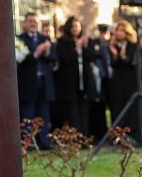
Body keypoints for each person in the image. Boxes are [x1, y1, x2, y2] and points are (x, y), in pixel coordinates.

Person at [16, 12, 56, 149]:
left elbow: (54, 59)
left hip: (44, 84)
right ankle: (29, 144)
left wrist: (48, 52)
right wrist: (37, 52)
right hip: (28, 84)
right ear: (25, 24)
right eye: (30, 21)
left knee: (44, 115)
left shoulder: (45, 39)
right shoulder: (19, 40)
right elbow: (20, 60)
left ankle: (44, 143)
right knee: (28, 115)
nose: (33, 23)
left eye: (35, 21)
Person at [55, 16, 96, 135]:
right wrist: (76, 48)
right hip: (70, 84)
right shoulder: (62, 42)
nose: (75, 28)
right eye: (72, 26)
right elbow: (65, 60)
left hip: (84, 83)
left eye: (77, 26)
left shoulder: (86, 42)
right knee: (73, 112)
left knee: (84, 111)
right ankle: (76, 138)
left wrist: (85, 46)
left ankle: (85, 137)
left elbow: (92, 58)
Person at [107, 21, 139, 133]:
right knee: (117, 108)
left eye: (122, 30)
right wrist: (116, 55)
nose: (119, 33)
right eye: (117, 30)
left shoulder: (133, 45)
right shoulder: (112, 46)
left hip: (130, 81)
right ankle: (117, 134)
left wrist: (123, 56)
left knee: (131, 108)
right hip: (117, 82)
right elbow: (113, 64)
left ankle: (132, 133)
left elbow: (131, 62)